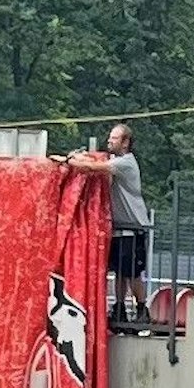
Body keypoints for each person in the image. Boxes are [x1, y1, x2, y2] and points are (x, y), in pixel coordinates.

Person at [69, 123, 152, 324]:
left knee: (132, 272)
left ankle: (142, 309)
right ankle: (120, 307)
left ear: (125, 142)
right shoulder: (115, 160)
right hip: (119, 227)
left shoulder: (126, 163)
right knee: (119, 272)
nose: (109, 141)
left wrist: (72, 161)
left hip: (134, 226)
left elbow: (95, 167)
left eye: (114, 138)